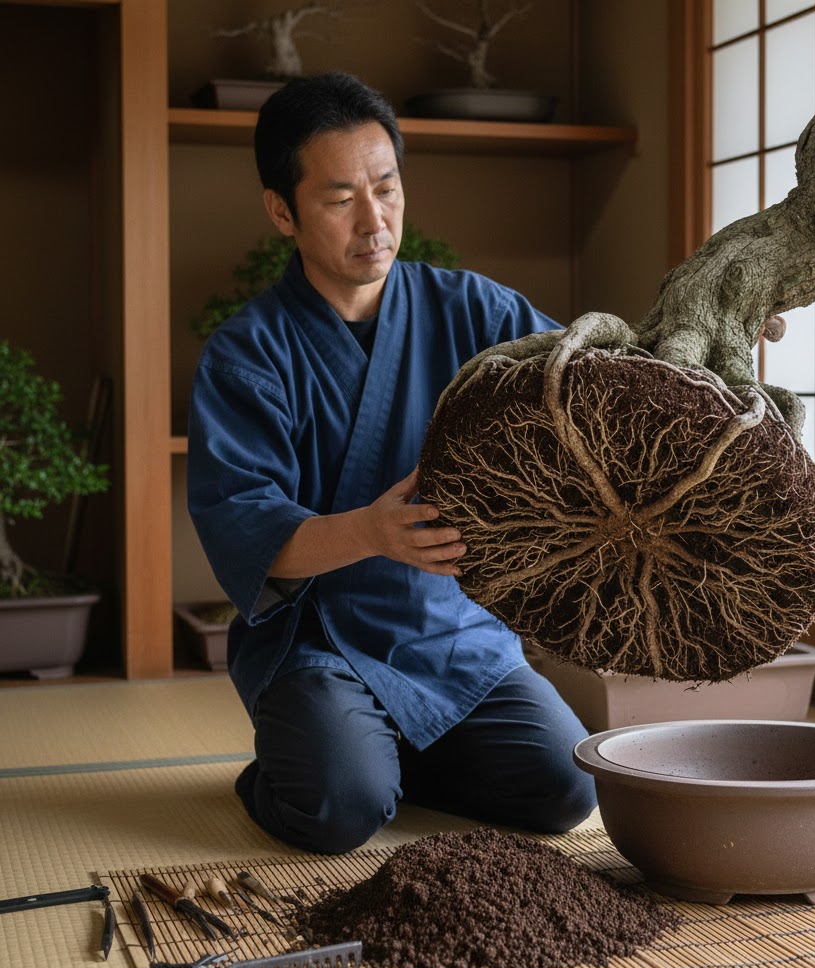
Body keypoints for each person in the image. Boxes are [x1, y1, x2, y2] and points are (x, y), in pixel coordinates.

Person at [187, 71, 597, 854]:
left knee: (565, 790)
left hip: (449, 627)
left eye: (387, 187)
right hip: (321, 640)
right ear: (283, 210)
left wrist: (712, 335)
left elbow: (594, 376)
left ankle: (388, 763)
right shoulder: (248, 353)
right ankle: (316, 768)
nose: (374, 220)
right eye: (341, 198)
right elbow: (246, 527)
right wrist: (372, 532)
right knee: (338, 812)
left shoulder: (477, 311)